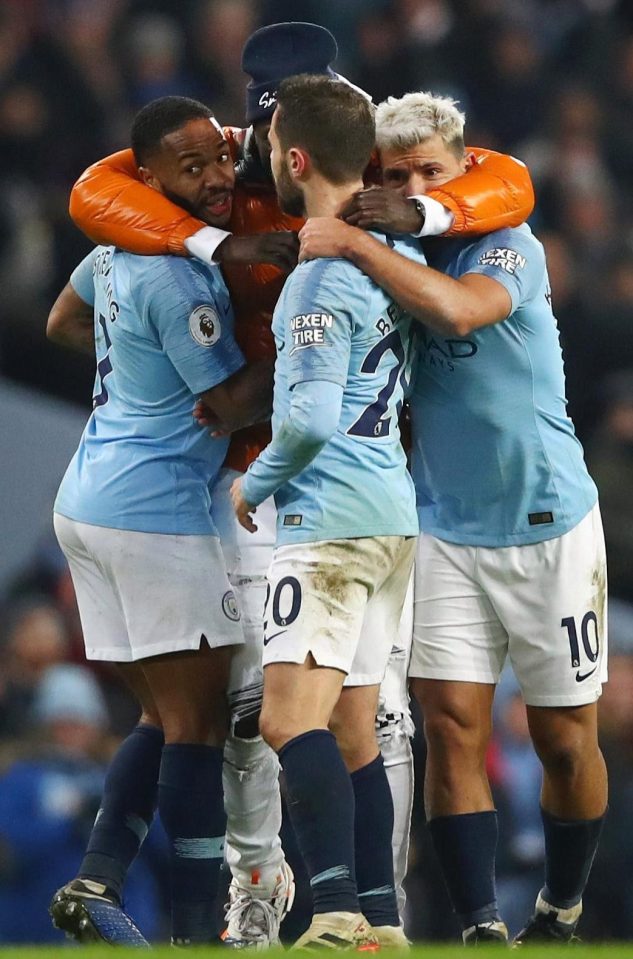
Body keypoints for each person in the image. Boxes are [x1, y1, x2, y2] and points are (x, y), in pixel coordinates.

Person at [66, 21, 536, 939]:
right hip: (259, 487)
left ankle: (357, 908)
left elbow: (507, 181)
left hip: (305, 479)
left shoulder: (372, 198)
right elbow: (93, 198)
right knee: (263, 716)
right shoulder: (217, 178)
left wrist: (419, 216)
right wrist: (207, 264)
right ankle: (266, 892)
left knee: (339, 721)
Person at [298, 90, 608, 946]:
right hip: (439, 524)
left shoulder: (508, 245)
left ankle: (561, 905)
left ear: (461, 170)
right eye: (391, 174)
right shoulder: (384, 259)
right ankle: (478, 924)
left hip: (550, 521)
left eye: (427, 171)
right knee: (449, 727)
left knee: (562, 741)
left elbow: (461, 310)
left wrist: (358, 239)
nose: (408, 186)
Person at [48, 95, 274, 947]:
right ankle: (189, 931)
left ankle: (96, 880)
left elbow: (62, 321)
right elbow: (225, 399)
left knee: (163, 715)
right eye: (193, 169)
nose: (217, 177)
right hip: (157, 513)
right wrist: (315, 343)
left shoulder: (118, 245)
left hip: (92, 500)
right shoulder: (177, 273)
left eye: (219, 157)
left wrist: (134, 374)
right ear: (146, 177)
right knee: (199, 726)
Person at [229, 72, 425, 951]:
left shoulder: (317, 278)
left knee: (283, 719)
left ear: (296, 158)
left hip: (329, 526)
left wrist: (254, 485)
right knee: (353, 727)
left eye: (271, 150)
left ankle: (337, 912)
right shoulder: (400, 261)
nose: (266, 160)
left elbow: (305, 419)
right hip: (392, 512)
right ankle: (382, 920)